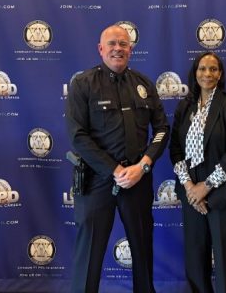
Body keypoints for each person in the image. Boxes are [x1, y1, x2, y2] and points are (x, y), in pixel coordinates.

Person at [66, 25, 169, 293]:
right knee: (89, 253)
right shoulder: (83, 83)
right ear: (101, 49)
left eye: (123, 44)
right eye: (112, 43)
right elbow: (78, 136)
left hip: (137, 178)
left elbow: (161, 130)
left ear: (130, 50)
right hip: (96, 180)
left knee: (142, 248)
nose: (117, 49)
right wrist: (114, 170)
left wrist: (143, 165)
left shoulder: (144, 84)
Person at [169, 52, 226, 293]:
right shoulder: (185, 106)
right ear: (195, 73)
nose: (207, 74)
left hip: (222, 192)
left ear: (220, 74)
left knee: (225, 259)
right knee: (195, 257)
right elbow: (176, 149)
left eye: (213, 69)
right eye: (202, 68)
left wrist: (206, 186)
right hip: (191, 194)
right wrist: (190, 187)